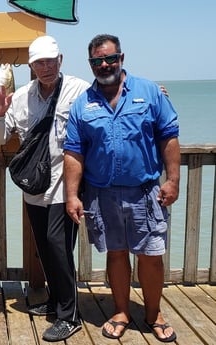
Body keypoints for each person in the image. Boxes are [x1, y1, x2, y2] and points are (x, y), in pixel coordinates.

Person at [64, 34, 179, 343]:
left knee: (151, 256)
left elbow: (168, 136)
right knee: (116, 255)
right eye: (97, 61)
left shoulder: (150, 92)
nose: (104, 65)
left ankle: (154, 314)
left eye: (110, 59)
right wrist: (72, 195)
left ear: (121, 58)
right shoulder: (83, 103)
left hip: (145, 192)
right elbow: (74, 152)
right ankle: (121, 311)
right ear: (90, 64)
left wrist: (172, 179)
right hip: (102, 195)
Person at [0, 35, 89, 342]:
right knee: (45, 248)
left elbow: (110, 109)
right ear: (31, 66)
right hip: (35, 187)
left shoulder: (80, 90)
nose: (46, 68)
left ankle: (70, 315)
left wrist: (155, 96)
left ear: (61, 60)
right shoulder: (21, 97)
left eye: (50, 61)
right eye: (39, 63)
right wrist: (0, 113)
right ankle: (56, 302)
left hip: (66, 185)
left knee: (59, 246)